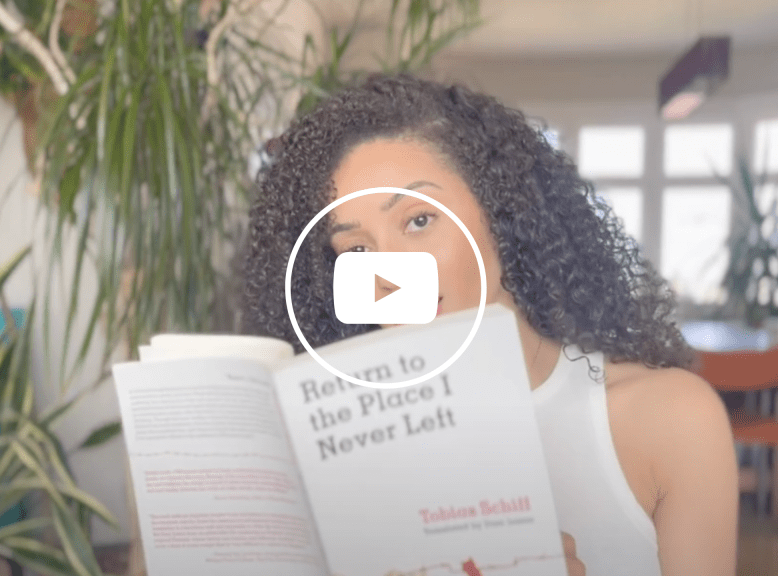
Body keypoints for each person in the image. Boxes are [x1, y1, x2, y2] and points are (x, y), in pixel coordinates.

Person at [242, 72, 739, 576]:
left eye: (419, 220)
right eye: (358, 250)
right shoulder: (340, 457)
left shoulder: (670, 418)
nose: (390, 276)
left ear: (502, 212)